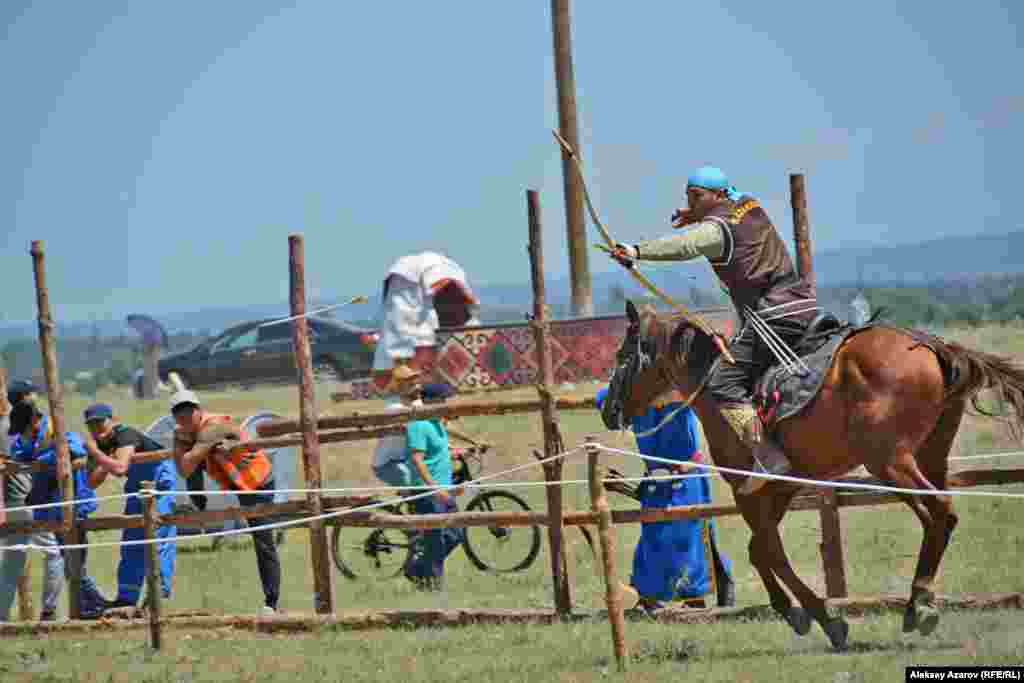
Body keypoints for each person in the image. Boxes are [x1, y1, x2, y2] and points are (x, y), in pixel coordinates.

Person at [611, 166, 818, 494]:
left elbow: (686, 246)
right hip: (804, 306)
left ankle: (767, 454)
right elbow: (717, 217)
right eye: (688, 197)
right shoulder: (748, 203)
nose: (691, 202)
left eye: (697, 196)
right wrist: (696, 213)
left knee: (723, 380)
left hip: (774, 317)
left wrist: (636, 252)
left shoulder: (717, 229)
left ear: (718, 194)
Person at [597, 386, 735, 612]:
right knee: (653, 539)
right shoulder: (633, 384)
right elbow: (605, 403)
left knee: (690, 537)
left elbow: (699, 390)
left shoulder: (678, 382)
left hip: (686, 477)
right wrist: (639, 396)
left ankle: (695, 599)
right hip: (655, 481)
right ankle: (649, 597)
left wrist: (664, 395)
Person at [170, 389, 281, 614]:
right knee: (197, 462)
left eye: (188, 413)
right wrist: (185, 444)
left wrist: (187, 446)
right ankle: (198, 505)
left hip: (257, 480)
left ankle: (271, 602)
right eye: (179, 415)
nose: (184, 419)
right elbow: (186, 470)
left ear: (199, 411)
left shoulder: (212, 426)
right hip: (239, 484)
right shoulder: (187, 434)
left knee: (262, 539)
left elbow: (186, 464)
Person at [7, 401, 109, 619]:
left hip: (73, 503)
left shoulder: (60, 432)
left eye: (23, 428)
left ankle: (97, 605)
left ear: (33, 422)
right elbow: (18, 452)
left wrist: (40, 459)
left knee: (75, 561)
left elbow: (76, 453)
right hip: (53, 507)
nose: (22, 434)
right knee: (69, 560)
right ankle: (94, 606)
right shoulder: (30, 439)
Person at [81, 403, 177, 610]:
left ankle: (157, 595)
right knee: (131, 544)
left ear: (112, 419)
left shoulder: (126, 434)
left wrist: (96, 454)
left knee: (158, 540)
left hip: (159, 485)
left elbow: (120, 467)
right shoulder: (100, 445)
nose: (96, 427)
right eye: (91, 424)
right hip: (136, 489)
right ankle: (126, 599)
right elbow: (92, 481)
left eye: (100, 421)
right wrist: (99, 454)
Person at [400, 381, 464, 591]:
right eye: (442, 401)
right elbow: (418, 460)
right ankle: (434, 587)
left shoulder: (438, 423)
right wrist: (437, 489)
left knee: (456, 534)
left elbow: (439, 451)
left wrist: (459, 453)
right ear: (431, 402)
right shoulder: (419, 424)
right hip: (427, 492)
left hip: (444, 490)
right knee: (435, 540)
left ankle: (418, 569)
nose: (446, 404)